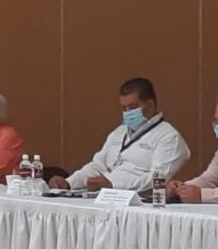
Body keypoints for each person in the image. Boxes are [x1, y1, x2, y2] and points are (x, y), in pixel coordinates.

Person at [49, 77, 190, 192]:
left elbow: (157, 180)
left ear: (151, 105)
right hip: (106, 197)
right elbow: (98, 166)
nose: (128, 113)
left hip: (141, 203)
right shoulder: (119, 132)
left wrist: (113, 184)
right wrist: (69, 183)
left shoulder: (168, 137)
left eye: (133, 107)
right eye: (124, 108)